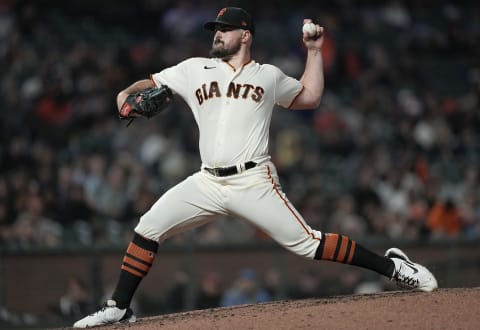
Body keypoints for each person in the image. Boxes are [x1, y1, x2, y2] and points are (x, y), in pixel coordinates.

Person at [73, 7, 437, 328]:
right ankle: (118, 307)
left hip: (253, 180)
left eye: (224, 28)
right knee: (148, 228)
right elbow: (149, 83)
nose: (217, 33)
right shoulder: (193, 69)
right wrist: (124, 96)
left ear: (244, 35)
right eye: (214, 28)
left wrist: (313, 52)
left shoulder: (268, 75)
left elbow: (310, 97)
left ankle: (393, 267)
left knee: (308, 244)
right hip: (206, 181)